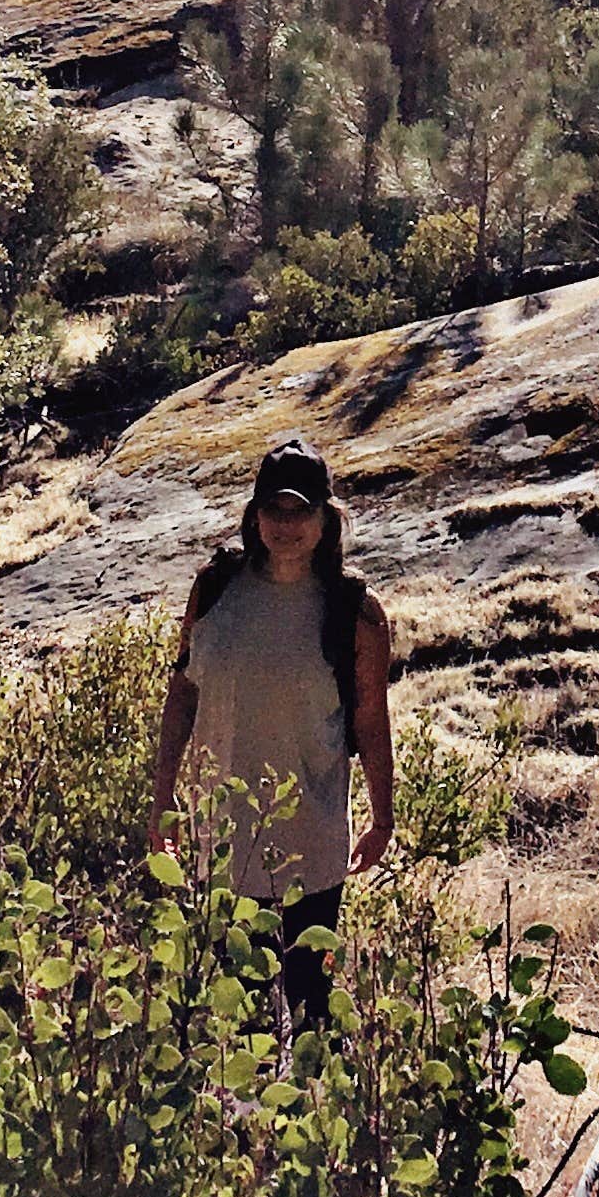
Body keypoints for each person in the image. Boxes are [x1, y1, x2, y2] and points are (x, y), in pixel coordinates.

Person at [146, 437, 394, 1029]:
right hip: (218, 842)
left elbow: (370, 721)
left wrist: (383, 818)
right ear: (253, 515)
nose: (286, 525)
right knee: (224, 1014)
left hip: (309, 845)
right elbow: (183, 691)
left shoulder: (354, 611)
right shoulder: (215, 589)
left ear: (327, 519)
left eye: (300, 511)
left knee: (308, 1012)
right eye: (273, 511)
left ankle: (310, 1113)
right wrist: (162, 800)